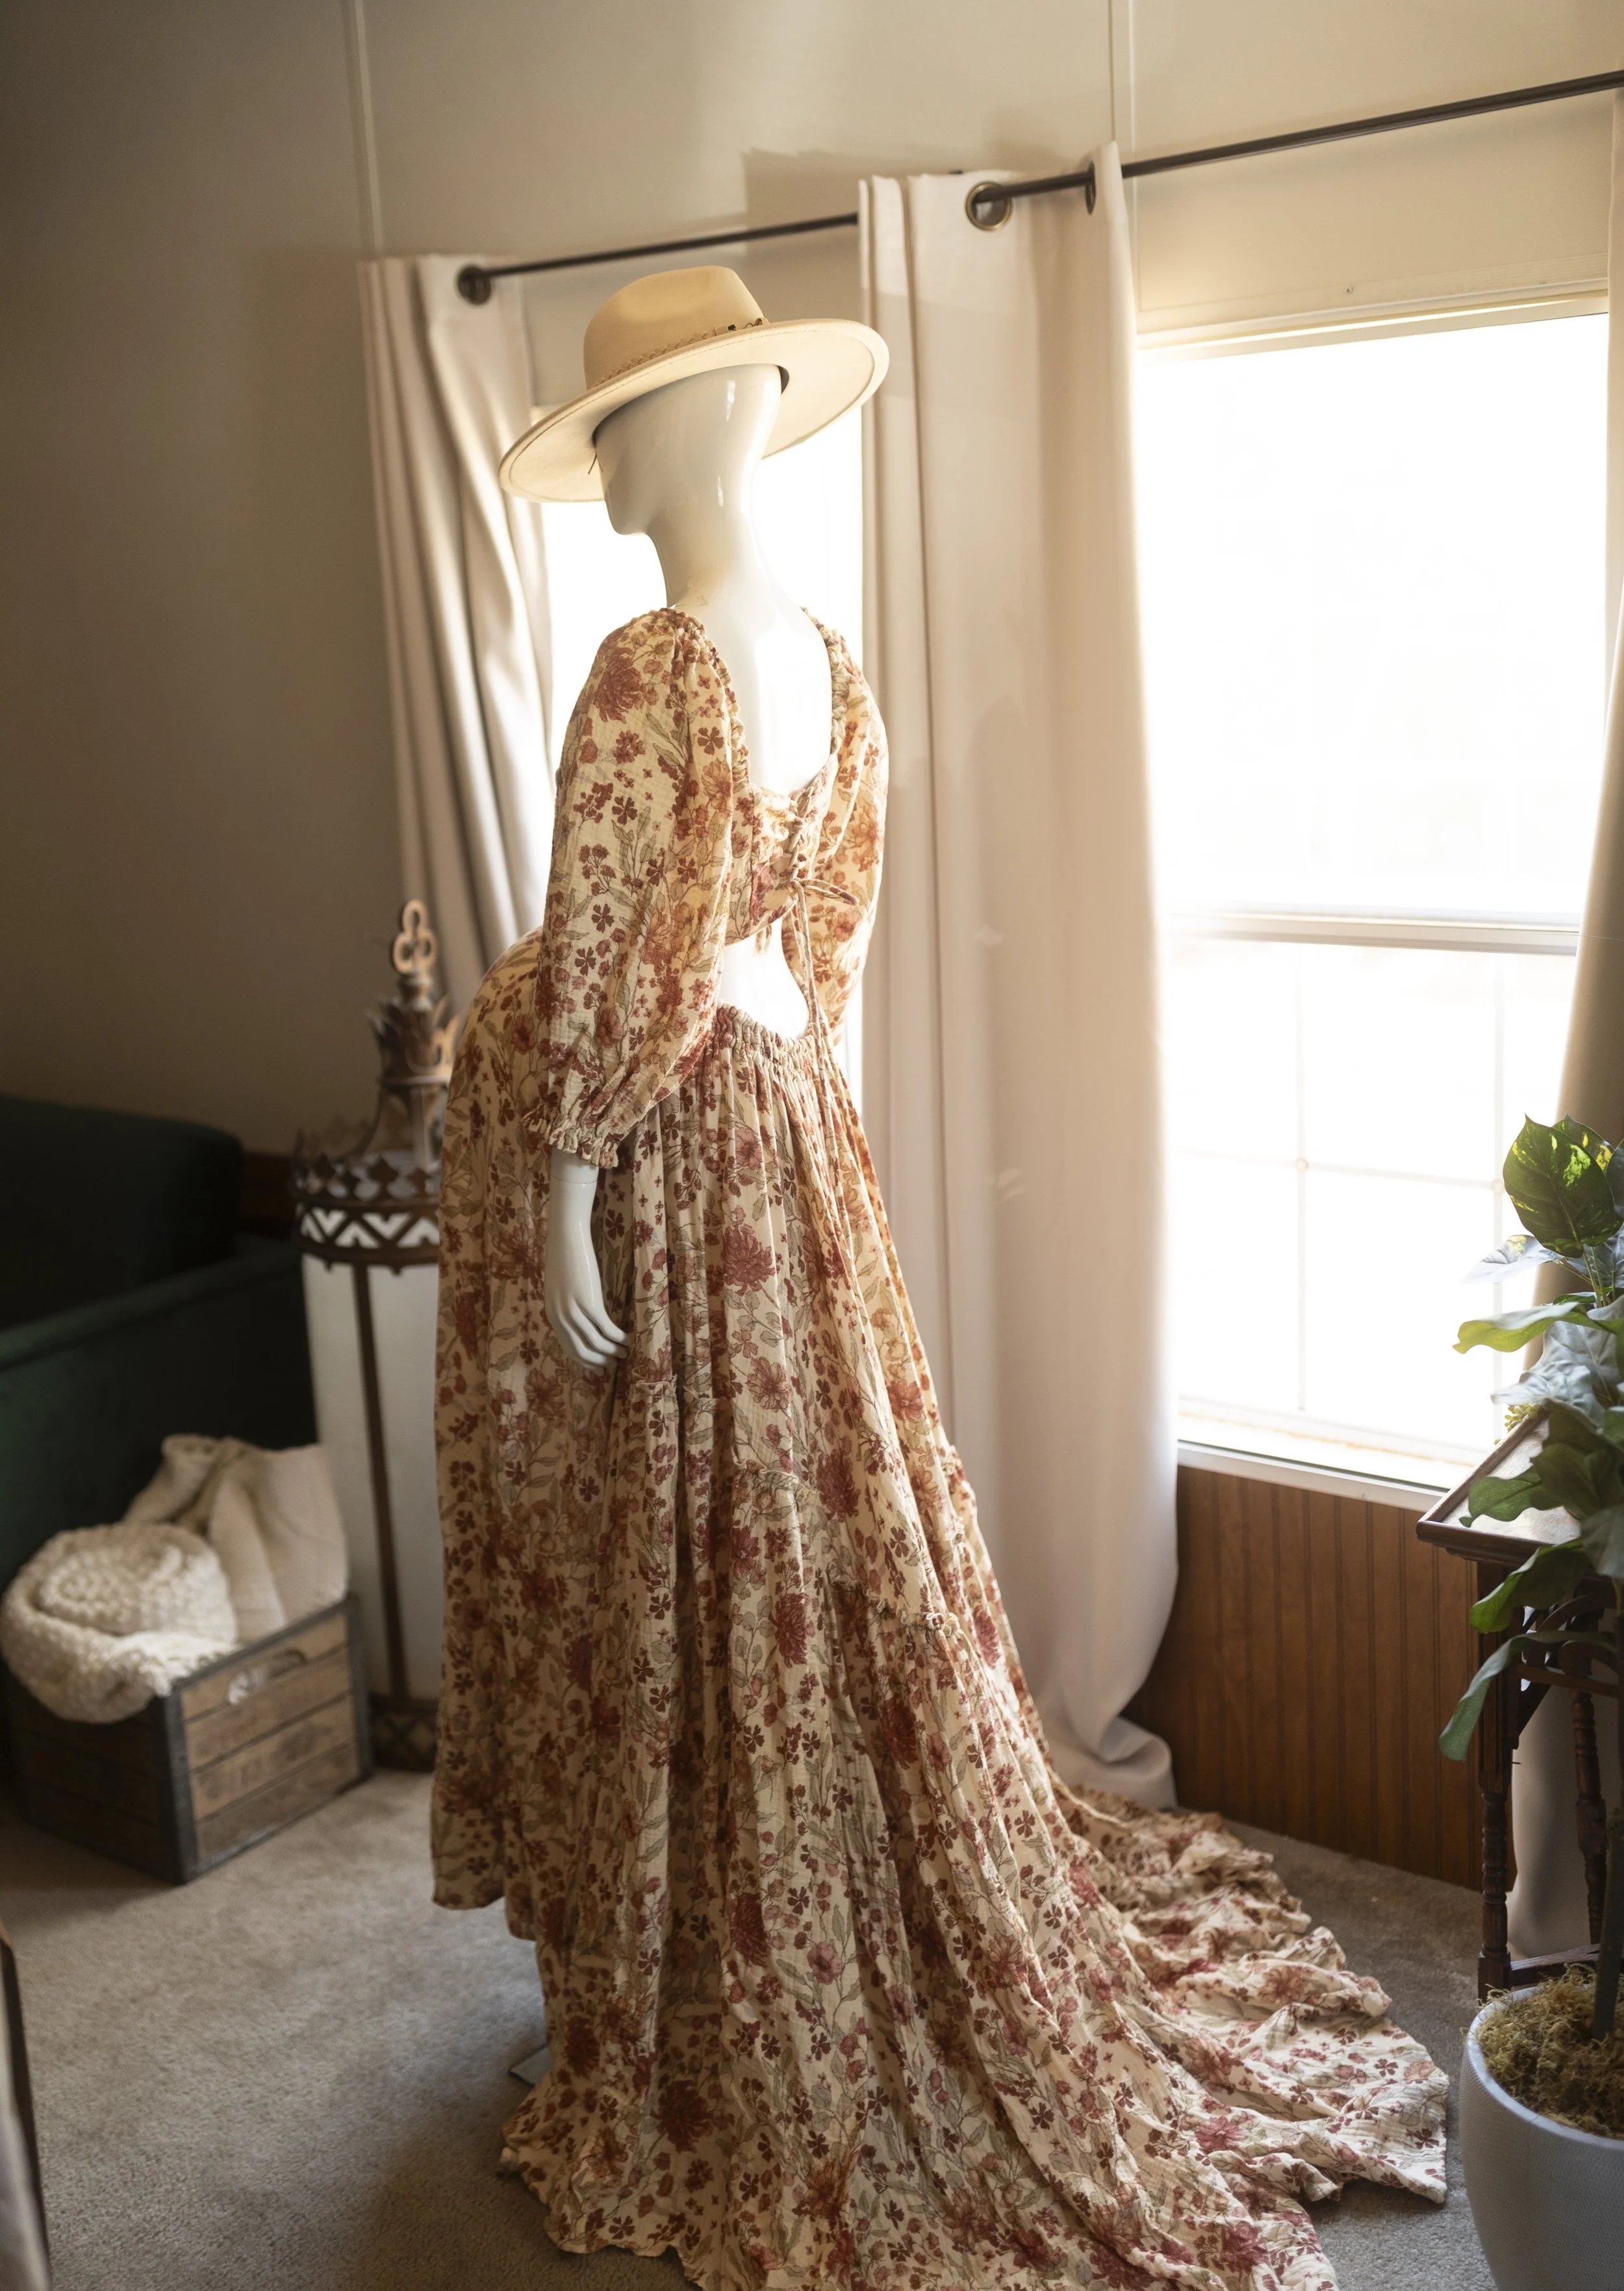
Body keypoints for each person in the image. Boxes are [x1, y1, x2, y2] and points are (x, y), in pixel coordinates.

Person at [431, 265, 1447, 2291]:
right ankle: (754, 1934)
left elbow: (618, 962)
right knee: (797, 1560)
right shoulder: (829, 661)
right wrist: (793, 1131)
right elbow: (818, 969)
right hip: (795, 1153)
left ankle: (721, 1982)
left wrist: (558, 1191)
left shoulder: (652, 664)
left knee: (698, 1556)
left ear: (704, 421)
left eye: (626, 425)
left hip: (674, 1165)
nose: (612, 465)